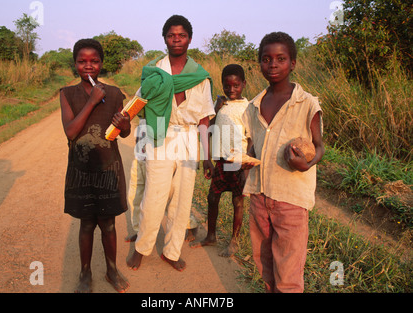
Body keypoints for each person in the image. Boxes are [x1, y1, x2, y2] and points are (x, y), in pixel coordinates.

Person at [126, 15, 215, 272]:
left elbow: (204, 118)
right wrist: (123, 120)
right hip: (158, 137)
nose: (177, 39)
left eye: (182, 35)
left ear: (190, 38)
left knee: (182, 200)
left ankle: (172, 251)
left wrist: (206, 155)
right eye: (171, 35)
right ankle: (142, 248)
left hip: (188, 138)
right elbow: (138, 105)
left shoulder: (200, 76)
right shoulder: (154, 72)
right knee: (154, 197)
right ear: (164, 38)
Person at [241, 32, 324, 293]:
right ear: (260, 64)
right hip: (259, 198)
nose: (273, 65)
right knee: (265, 265)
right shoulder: (254, 105)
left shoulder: (306, 103)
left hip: (290, 201)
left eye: (280, 58)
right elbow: (252, 144)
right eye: (266, 59)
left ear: (293, 63)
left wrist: (307, 164)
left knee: (288, 274)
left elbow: (319, 146)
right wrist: (246, 163)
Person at [60, 38, 131, 293]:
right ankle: (85, 273)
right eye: (82, 61)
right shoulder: (67, 94)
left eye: (94, 61)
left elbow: (124, 132)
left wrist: (124, 126)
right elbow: (70, 132)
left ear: (101, 63)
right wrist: (91, 102)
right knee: (87, 223)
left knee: (108, 223)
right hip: (81, 171)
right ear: (75, 64)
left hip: (108, 169)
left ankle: (111, 270)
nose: (88, 66)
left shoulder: (113, 94)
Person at [190, 64, 251, 257]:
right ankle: (211, 236)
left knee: (237, 201)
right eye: (227, 86)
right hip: (220, 162)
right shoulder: (220, 105)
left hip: (238, 163)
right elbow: (210, 128)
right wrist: (215, 109)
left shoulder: (248, 108)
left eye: (236, 86)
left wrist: (247, 165)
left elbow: (250, 138)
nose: (231, 90)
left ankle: (234, 241)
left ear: (243, 84)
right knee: (212, 197)